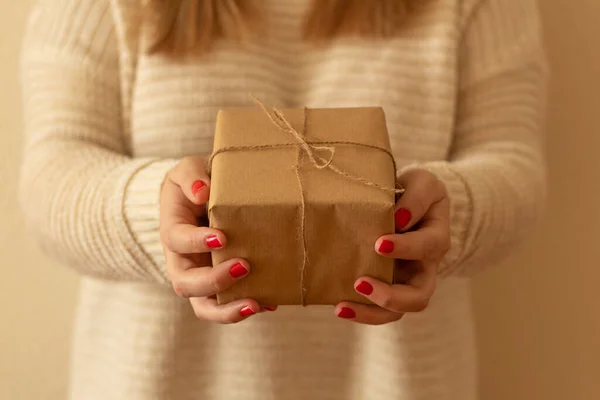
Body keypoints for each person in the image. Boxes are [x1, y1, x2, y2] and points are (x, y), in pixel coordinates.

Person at [18, 0, 548, 399]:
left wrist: (450, 209)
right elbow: (51, 178)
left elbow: (514, 168)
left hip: (397, 384)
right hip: (158, 382)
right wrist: (155, 215)